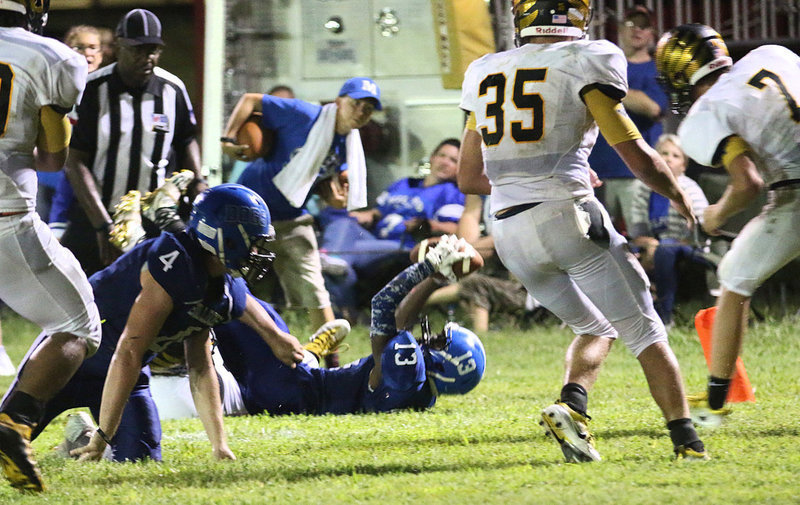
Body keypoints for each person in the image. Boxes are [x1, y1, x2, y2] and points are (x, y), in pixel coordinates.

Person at [457, 0, 707, 462]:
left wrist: (527, 179)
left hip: (509, 230)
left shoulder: (484, 69)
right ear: (576, 15)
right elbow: (636, 153)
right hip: (568, 217)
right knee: (646, 330)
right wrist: (676, 193)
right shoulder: (585, 58)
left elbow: (469, 177)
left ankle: (573, 406)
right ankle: (687, 442)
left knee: (596, 325)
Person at [6, 184, 304, 466]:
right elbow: (129, 351)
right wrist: (104, 436)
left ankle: (79, 437)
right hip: (73, 362)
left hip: (126, 374)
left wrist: (220, 445)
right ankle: (89, 435)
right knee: (7, 438)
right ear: (226, 236)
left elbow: (200, 367)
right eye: (253, 242)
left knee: (140, 458)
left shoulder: (220, 286)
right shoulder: (173, 264)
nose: (257, 253)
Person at [655, 25, 800, 425]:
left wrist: (713, 216)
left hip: (795, 190)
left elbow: (747, 182)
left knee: (734, 278)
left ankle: (716, 401)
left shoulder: (706, 111)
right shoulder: (772, 54)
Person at [0, 0, 102, 492]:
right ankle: (13, 423)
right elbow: (52, 159)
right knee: (78, 326)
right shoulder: (53, 57)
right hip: (6, 216)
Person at [220, 77, 382, 358]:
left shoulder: (349, 146)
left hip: (292, 216)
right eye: (355, 104)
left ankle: (331, 363)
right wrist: (228, 138)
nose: (360, 113)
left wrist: (334, 197)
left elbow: (321, 183)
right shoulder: (302, 114)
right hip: (248, 209)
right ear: (339, 101)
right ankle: (212, 347)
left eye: (367, 110)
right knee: (222, 280)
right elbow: (250, 100)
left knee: (315, 289)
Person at [63, 8, 202, 276]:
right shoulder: (93, 89)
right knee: (81, 291)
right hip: (99, 212)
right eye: (137, 49)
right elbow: (75, 160)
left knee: (163, 293)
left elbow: (186, 141)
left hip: (154, 214)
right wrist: (104, 226)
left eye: (153, 49)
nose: (147, 57)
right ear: (118, 46)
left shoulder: (172, 89)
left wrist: (198, 185)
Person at [318, 139, 465, 318]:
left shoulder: (451, 192)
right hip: (375, 239)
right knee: (342, 224)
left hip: (404, 246)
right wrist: (356, 214)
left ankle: (341, 297)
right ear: (432, 157)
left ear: (459, 168)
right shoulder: (404, 184)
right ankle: (345, 301)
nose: (445, 162)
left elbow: (454, 228)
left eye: (453, 160)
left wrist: (425, 224)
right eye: (442, 155)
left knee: (340, 256)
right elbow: (377, 212)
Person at [588, 6, 668, 233]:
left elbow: (652, 107)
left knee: (641, 236)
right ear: (621, 29)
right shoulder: (605, 66)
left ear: (652, 32)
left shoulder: (656, 69)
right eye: (632, 24)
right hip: (596, 171)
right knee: (596, 239)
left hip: (636, 172)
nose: (637, 30)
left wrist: (606, 87)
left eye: (644, 25)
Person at [628, 133, 711, 326]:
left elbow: (700, 228)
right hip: (652, 245)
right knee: (618, 250)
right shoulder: (642, 188)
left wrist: (657, 247)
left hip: (690, 246)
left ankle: (665, 318)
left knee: (665, 248)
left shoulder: (690, 188)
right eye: (663, 153)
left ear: (683, 165)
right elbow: (637, 230)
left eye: (675, 155)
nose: (668, 158)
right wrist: (650, 245)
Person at [40, 25, 103, 233]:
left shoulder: (109, 91)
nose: (87, 54)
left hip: (94, 177)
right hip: (52, 173)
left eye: (93, 47)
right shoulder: (54, 85)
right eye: (80, 48)